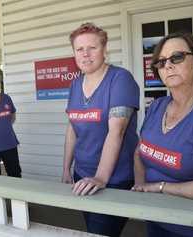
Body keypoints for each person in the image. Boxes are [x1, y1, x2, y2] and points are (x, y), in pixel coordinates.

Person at [62, 22, 140, 237]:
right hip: (81, 174)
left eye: (92, 48)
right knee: (91, 228)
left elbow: (117, 131)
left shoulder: (120, 79)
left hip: (113, 178)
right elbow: (72, 127)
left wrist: (100, 178)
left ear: (105, 50)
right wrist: (66, 168)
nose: (85, 54)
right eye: (79, 49)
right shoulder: (75, 85)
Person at [132, 32, 193, 237]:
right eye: (161, 61)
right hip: (155, 218)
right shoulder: (157, 106)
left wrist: (159, 187)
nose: (168, 65)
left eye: (177, 57)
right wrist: (141, 188)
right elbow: (139, 152)